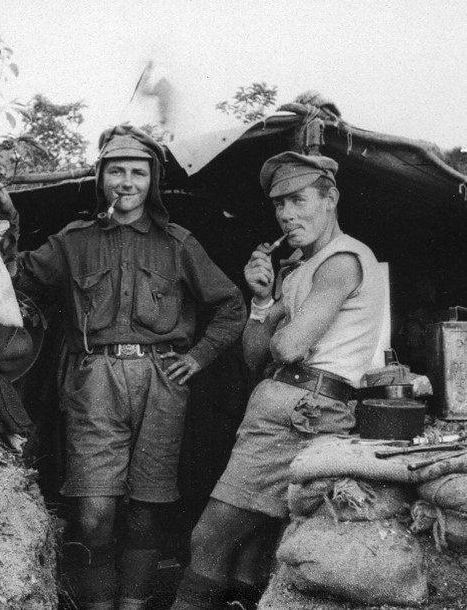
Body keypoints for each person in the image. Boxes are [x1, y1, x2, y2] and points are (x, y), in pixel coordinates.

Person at [0, 125, 246, 610]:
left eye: (138, 172)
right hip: (94, 383)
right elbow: (14, 278)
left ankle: (134, 604)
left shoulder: (178, 244)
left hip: (161, 384)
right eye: (117, 171)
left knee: (146, 514)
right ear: (101, 179)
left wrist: (197, 358)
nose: (127, 182)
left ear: (152, 182)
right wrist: (2, 231)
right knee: (93, 513)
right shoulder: (73, 242)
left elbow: (231, 305)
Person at [170, 152, 385, 610]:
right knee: (251, 552)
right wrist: (264, 301)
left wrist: (282, 326)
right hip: (285, 404)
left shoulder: (341, 260)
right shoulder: (304, 266)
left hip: (300, 409)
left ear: (331, 199)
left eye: (298, 200)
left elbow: (287, 349)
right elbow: (253, 355)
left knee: (209, 536)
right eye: (279, 204)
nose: (287, 214)